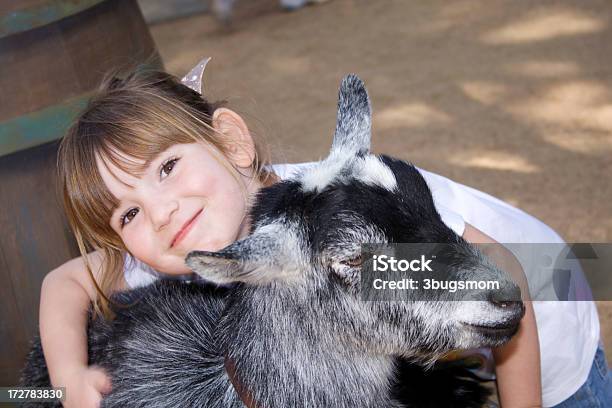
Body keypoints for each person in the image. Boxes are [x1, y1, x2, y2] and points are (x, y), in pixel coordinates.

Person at [39, 65, 607, 408]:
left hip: (540, 323)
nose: (159, 213)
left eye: (166, 168)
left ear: (232, 143)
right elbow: (64, 282)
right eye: (127, 215)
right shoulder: (190, 251)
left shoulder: (352, 229)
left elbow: (508, 277)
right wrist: (66, 378)